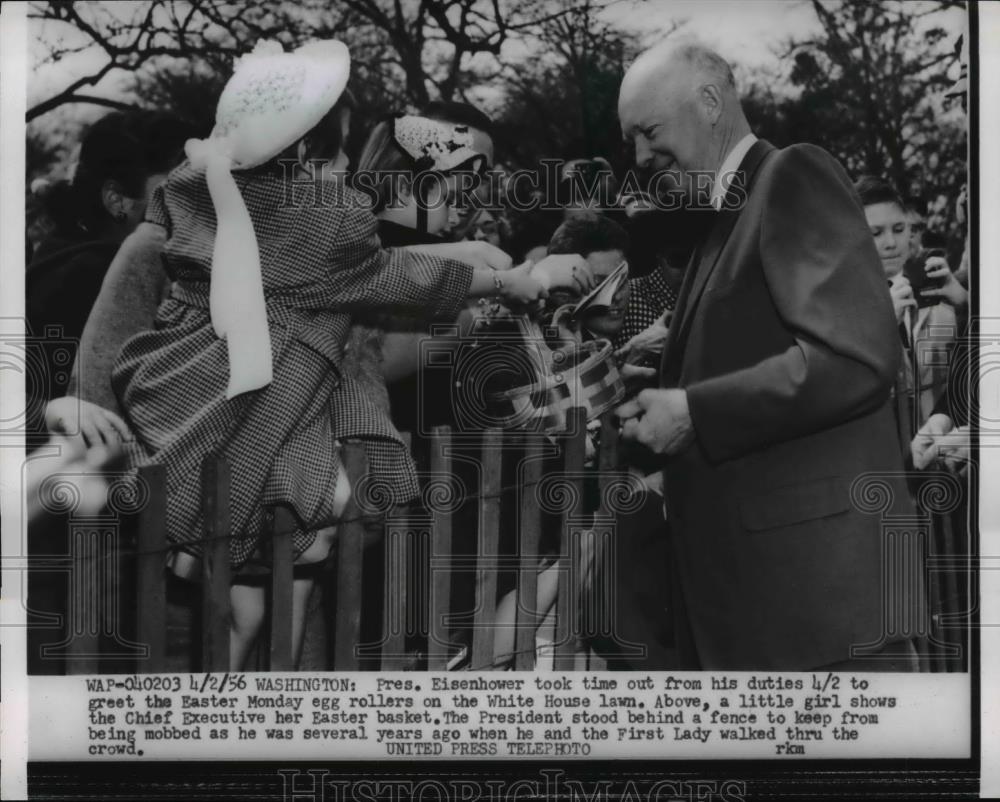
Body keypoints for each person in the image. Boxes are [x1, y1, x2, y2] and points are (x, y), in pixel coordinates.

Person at [108, 40, 550, 670]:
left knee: (245, 595)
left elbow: (365, 270)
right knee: (315, 518)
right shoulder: (318, 223)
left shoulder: (209, 193)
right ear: (297, 156)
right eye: (338, 150)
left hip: (197, 394)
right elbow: (387, 276)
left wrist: (465, 258)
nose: (349, 165)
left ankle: (234, 702)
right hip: (260, 414)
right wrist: (501, 281)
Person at [614, 40, 920, 671]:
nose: (641, 157)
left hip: (819, 610)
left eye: (648, 131)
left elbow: (856, 358)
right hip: (767, 609)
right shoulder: (719, 218)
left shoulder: (791, 175)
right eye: (631, 142)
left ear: (708, 102)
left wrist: (694, 408)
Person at [25, 111, 193, 432]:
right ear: (116, 200)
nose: (191, 208)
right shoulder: (95, 272)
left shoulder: (65, 243)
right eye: (175, 194)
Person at [855, 176, 967, 439]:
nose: (891, 243)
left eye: (899, 228)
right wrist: (883, 325)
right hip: (882, 457)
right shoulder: (839, 302)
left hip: (944, 449)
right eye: (876, 233)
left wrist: (966, 303)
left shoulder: (940, 289)